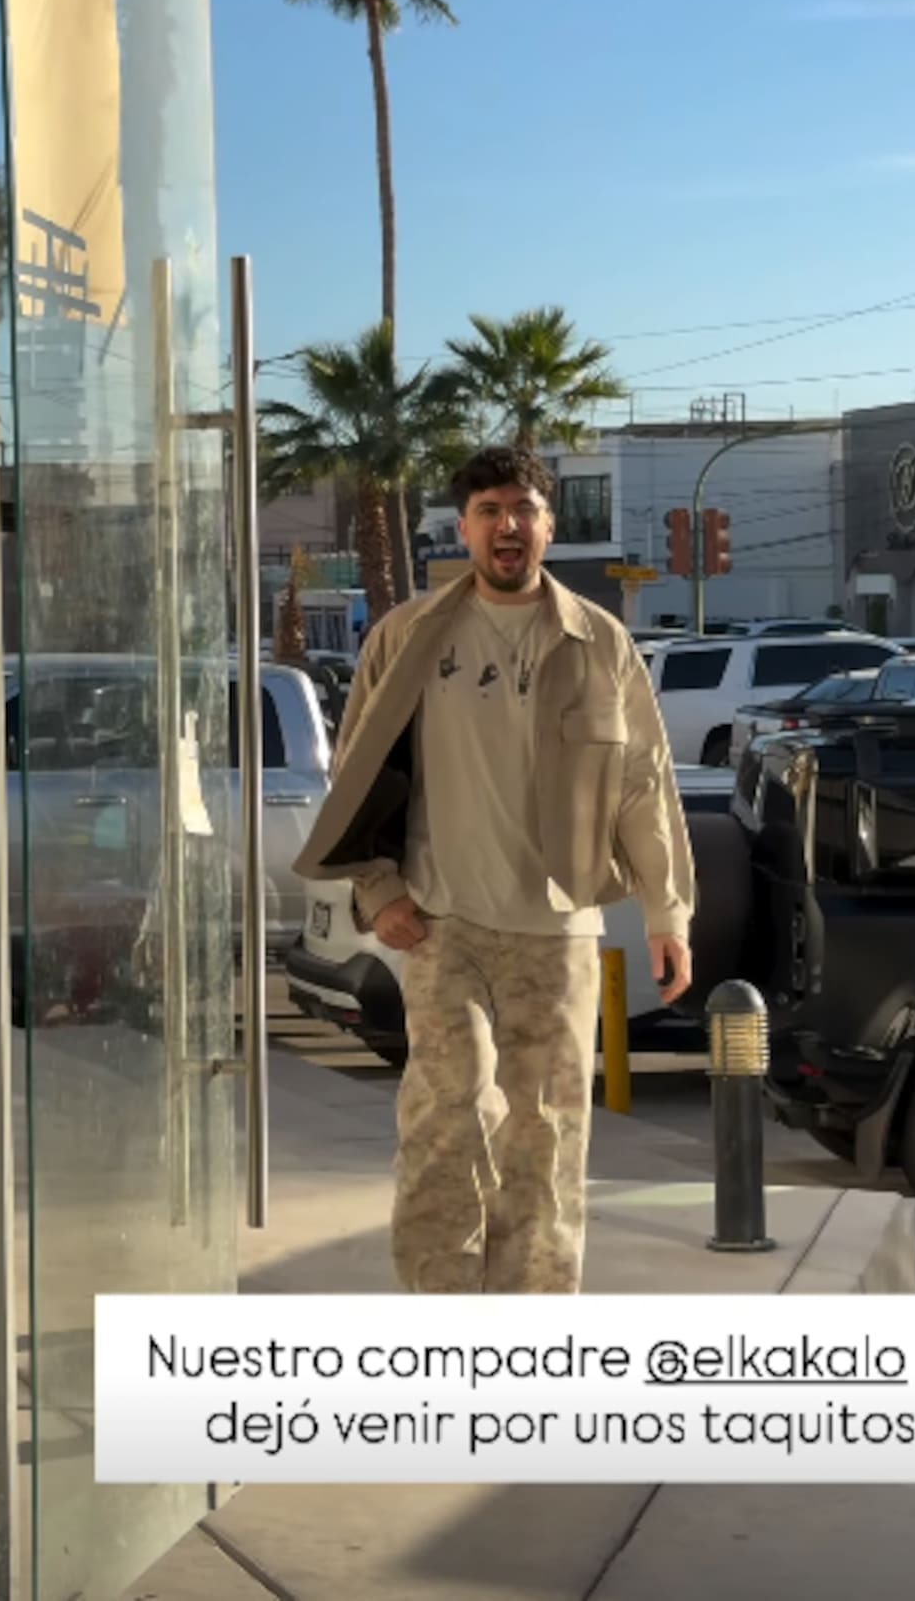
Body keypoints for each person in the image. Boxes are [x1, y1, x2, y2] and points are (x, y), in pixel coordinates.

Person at [293, 445, 694, 1293]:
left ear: (548, 525)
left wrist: (667, 913)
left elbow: (643, 782)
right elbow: (356, 774)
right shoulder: (407, 637)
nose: (507, 526)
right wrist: (378, 889)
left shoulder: (600, 643)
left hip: (558, 933)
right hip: (444, 926)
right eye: (489, 512)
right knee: (450, 1120)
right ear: (464, 528)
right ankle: (443, 1325)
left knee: (545, 1139)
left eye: (523, 509)